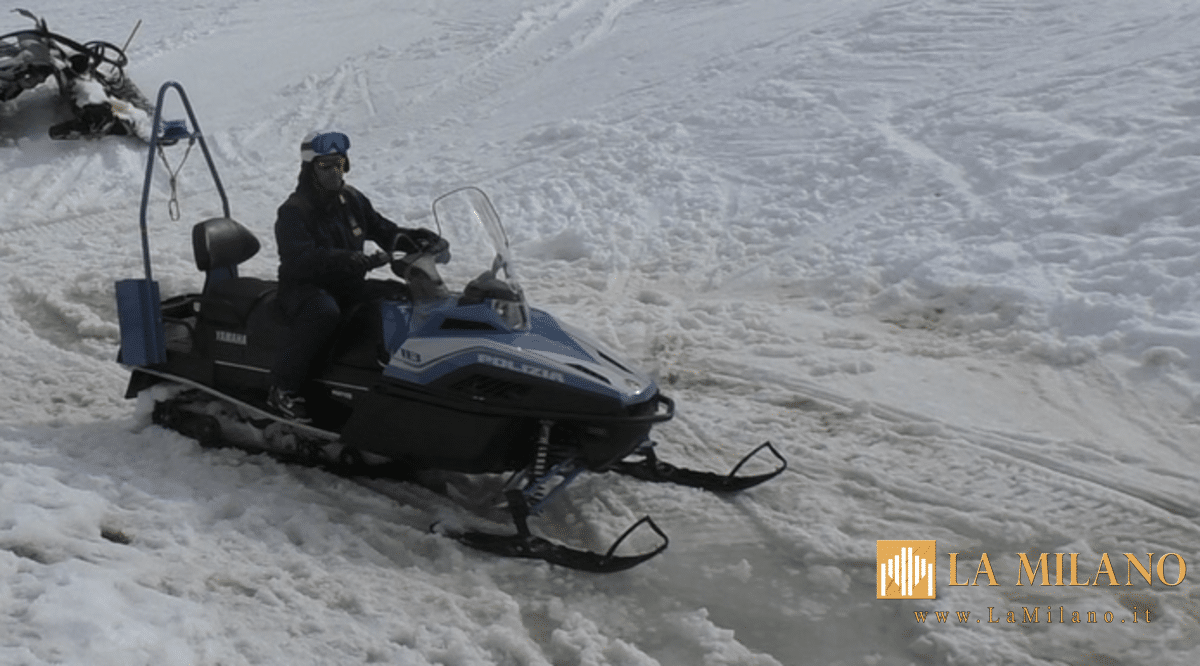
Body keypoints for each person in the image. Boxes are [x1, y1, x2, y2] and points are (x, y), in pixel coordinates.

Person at [267, 130, 442, 422]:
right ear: (309, 169)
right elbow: (301, 260)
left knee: (398, 295)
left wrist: (414, 239)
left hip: (347, 283)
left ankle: (406, 376)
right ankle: (284, 388)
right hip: (304, 287)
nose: (335, 172)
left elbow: (383, 229)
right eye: (326, 166)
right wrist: (350, 259)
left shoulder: (351, 199)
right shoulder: (294, 211)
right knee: (323, 312)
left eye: (339, 164)